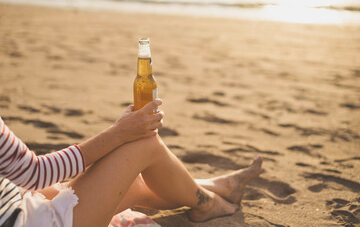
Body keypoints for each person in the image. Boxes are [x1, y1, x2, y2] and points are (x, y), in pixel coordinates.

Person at [0, 99, 262, 227]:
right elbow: (34, 173)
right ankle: (209, 202)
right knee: (142, 145)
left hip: (15, 203)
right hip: (24, 219)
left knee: (132, 183)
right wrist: (119, 132)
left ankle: (218, 187)